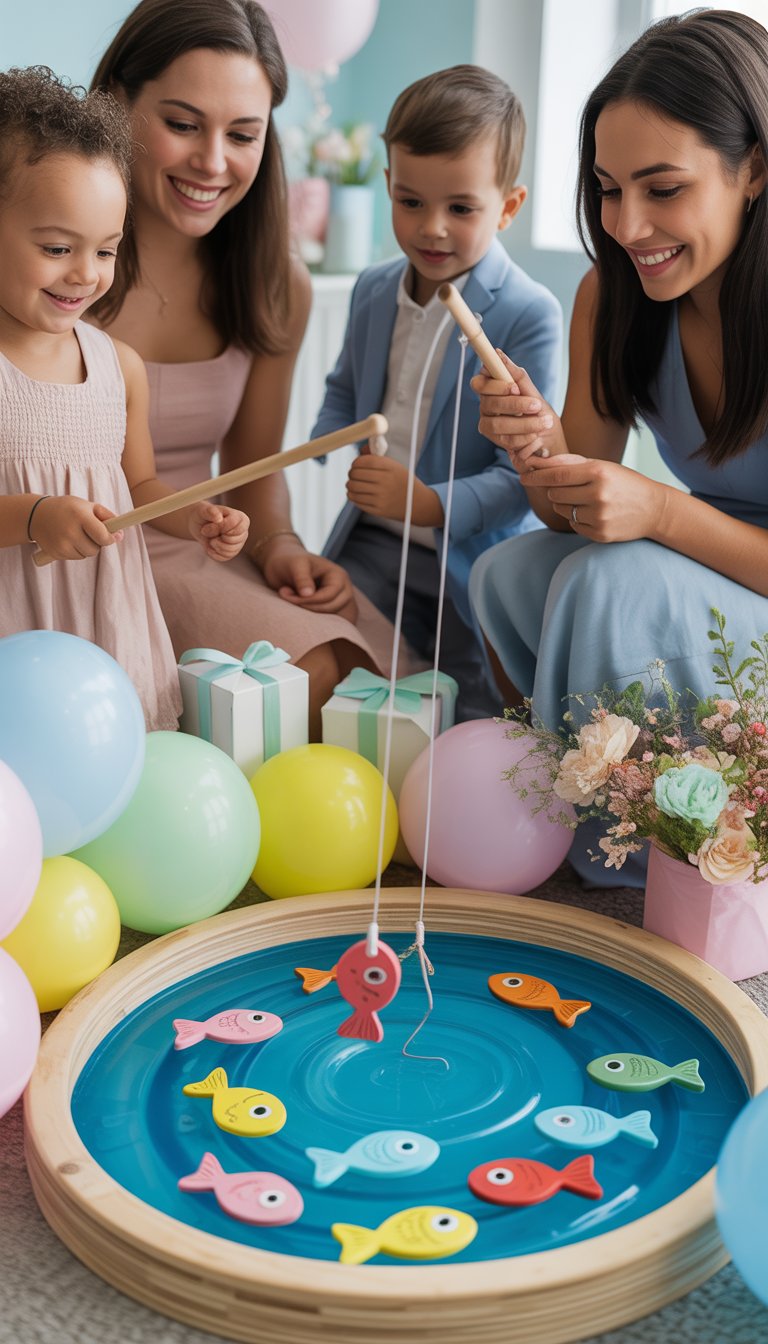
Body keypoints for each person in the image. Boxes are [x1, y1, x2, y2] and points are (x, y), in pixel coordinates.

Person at [468, 8, 768, 884]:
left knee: (608, 579)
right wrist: (536, 449)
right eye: (607, 187)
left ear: (754, 168)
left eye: (663, 188)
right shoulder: (615, 295)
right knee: (510, 572)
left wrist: (660, 510)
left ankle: (628, 851)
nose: (629, 224)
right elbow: (556, 510)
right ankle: (582, 804)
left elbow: (643, 523)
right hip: (712, 573)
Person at [89, 0, 399, 739]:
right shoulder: (55, 260)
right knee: (308, 685)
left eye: (243, 134)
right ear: (115, 106)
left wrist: (282, 547)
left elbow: (256, 463)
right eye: (183, 123)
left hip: (206, 539)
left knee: (374, 685)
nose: (213, 161)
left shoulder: (271, 280)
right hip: (89, 547)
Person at [0, 66, 249, 732]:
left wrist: (192, 516)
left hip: (104, 622)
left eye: (106, 250)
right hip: (15, 633)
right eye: (57, 248)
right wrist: (34, 516)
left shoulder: (120, 366)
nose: (85, 274)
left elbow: (139, 486)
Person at [312, 66, 562, 720]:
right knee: (331, 657)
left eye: (461, 208)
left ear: (508, 206)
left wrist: (429, 504)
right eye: (411, 202)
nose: (432, 229)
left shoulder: (530, 313)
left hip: (472, 559)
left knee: (477, 700)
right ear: (389, 185)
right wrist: (323, 438)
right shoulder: (372, 290)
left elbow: (523, 479)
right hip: (373, 543)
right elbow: (346, 384)